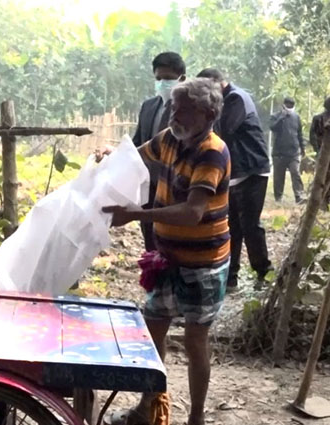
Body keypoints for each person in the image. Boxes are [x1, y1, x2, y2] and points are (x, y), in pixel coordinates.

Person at [103, 78, 230, 425]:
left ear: (206, 114)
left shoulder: (212, 152)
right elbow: (135, 157)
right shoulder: (170, 139)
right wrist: (108, 157)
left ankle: (197, 417)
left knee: (194, 340)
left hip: (203, 265)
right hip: (167, 259)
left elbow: (193, 212)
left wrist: (135, 215)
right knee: (152, 331)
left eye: (183, 109)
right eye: (174, 108)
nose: (174, 115)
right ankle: (150, 407)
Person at [196, 68, 272, 291]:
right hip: (235, 171)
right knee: (232, 226)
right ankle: (231, 277)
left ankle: (264, 273)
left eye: (207, 89)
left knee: (250, 224)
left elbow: (225, 131)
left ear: (218, 83)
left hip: (252, 170)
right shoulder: (221, 101)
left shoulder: (236, 98)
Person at [132, 52, 187, 251]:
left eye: (168, 79)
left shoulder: (190, 110)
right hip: (149, 185)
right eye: (158, 79)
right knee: (149, 237)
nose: (162, 83)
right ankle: (154, 275)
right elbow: (137, 142)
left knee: (173, 240)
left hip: (177, 188)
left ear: (182, 78)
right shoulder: (148, 107)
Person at [270, 97, 306, 203]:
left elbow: (299, 133)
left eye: (292, 105)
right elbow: (272, 127)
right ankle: (278, 197)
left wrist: (302, 147)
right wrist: (282, 117)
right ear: (284, 105)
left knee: (295, 173)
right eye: (288, 105)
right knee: (279, 177)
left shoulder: (296, 117)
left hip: (294, 152)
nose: (290, 107)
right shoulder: (275, 116)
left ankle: (299, 196)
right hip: (279, 153)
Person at [310, 96, 330, 206]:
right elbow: (313, 136)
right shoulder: (318, 119)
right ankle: (323, 202)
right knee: (322, 179)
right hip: (323, 154)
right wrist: (318, 150)